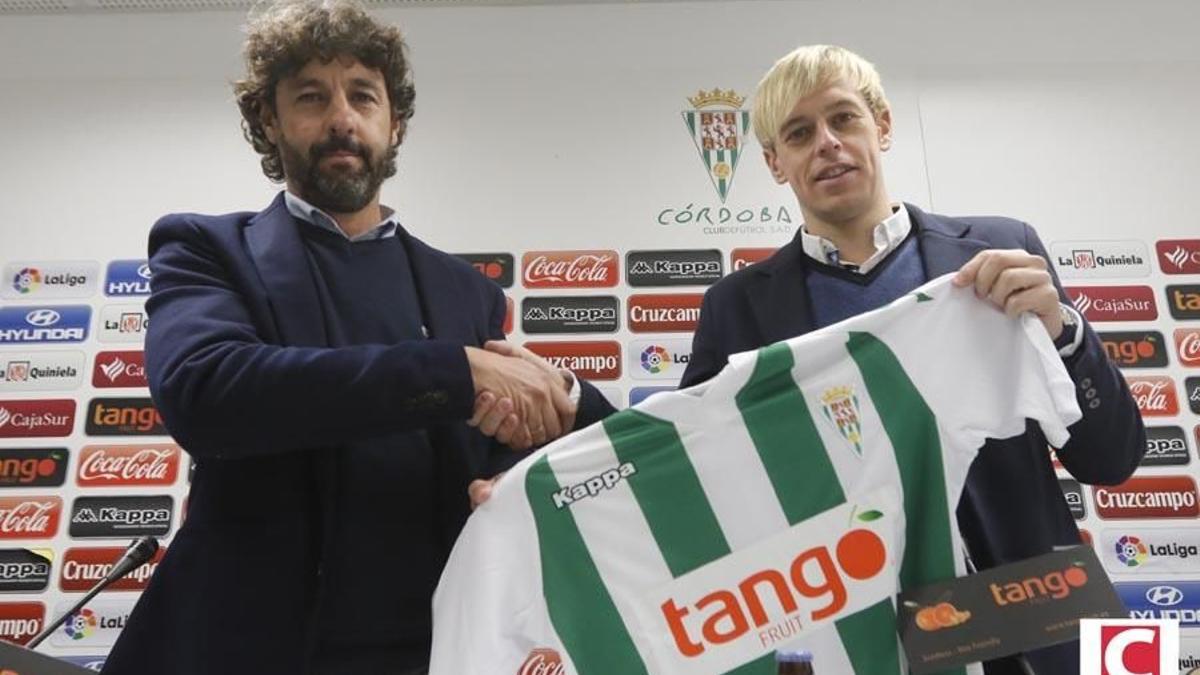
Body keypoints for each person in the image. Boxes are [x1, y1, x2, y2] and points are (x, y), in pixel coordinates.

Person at [101, 2, 614, 673]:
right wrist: (457, 371)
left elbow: (502, 451)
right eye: (311, 97)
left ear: (392, 122)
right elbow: (207, 391)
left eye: (362, 95)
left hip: (431, 650)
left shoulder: (466, 292)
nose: (341, 117)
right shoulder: (207, 248)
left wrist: (530, 444)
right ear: (270, 120)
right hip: (250, 651)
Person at [679, 45, 1144, 675]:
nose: (827, 143)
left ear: (883, 127)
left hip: (1040, 624)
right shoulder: (734, 308)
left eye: (844, 119)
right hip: (852, 640)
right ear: (774, 163)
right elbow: (701, 487)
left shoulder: (1005, 248)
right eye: (799, 132)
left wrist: (1063, 330)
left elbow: (1112, 459)